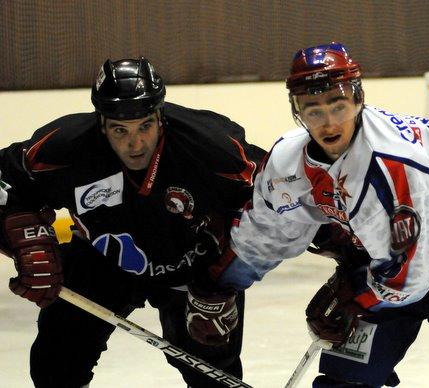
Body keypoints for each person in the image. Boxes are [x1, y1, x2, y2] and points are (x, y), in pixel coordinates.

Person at [199, 43, 429, 387]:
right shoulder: (288, 160)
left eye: (338, 106)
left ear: (358, 99)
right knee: (343, 383)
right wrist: (217, 286)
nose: (329, 123)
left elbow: (415, 272)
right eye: (313, 110)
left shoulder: (395, 163)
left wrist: (356, 302)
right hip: (384, 268)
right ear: (297, 110)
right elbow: (267, 233)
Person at [0, 57, 265, 387]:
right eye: (119, 130)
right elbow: (5, 181)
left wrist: (222, 278)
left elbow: (274, 197)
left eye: (144, 126)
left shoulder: (212, 146)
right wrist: (22, 234)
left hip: (193, 268)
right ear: (102, 123)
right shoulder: (65, 147)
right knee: (56, 362)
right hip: (102, 262)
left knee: (214, 374)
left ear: (160, 117)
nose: (134, 143)